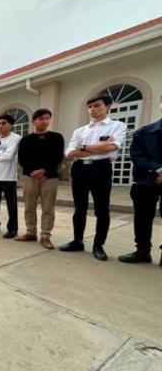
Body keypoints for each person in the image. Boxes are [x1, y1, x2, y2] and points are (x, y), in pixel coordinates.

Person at [59, 94, 127, 261]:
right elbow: (70, 152)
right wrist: (99, 147)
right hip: (80, 169)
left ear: (108, 106)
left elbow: (112, 147)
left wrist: (85, 148)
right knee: (79, 208)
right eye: (90, 107)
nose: (92, 109)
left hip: (101, 169)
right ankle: (77, 241)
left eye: (97, 105)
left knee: (102, 209)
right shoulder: (80, 130)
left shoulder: (117, 126)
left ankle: (98, 245)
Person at [17, 109, 65, 249]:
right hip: (29, 177)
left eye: (47, 118)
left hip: (49, 178)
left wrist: (43, 171)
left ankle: (45, 236)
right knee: (29, 206)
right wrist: (34, 172)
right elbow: (22, 159)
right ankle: (31, 232)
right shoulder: (26, 140)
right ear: (34, 121)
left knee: (48, 208)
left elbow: (57, 157)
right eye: (41, 118)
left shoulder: (56, 137)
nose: (45, 121)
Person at [118, 114, 162, 265]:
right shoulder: (143, 132)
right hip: (146, 181)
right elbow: (137, 156)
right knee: (142, 218)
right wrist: (157, 169)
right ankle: (142, 251)